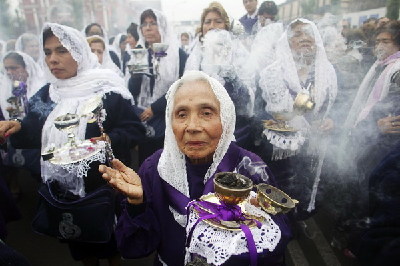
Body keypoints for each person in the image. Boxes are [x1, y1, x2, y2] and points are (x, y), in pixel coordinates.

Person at [99, 70, 291, 266]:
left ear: (225, 118)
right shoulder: (155, 169)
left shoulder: (250, 168)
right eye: (181, 114)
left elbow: (276, 247)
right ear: (170, 121)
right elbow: (135, 247)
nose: (192, 126)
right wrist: (136, 203)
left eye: (206, 113)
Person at [0, 22, 145, 266]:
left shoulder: (106, 90)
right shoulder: (48, 93)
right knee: (80, 241)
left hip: (103, 184)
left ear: (78, 51)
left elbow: (134, 130)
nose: (52, 59)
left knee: (110, 241)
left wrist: (110, 139)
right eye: (48, 53)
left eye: (61, 50)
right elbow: (36, 127)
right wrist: (19, 127)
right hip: (65, 188)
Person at [259, 19, 337, 219]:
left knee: (305, 195)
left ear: (316, 38)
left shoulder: (327, 72)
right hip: (281, 150)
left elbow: (337, 107)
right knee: (279, 199)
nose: (303, 38)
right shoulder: (272, 74)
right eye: (297, 34)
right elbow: (259, 114)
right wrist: (281, 119)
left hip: (315, 148)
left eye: (307, 33)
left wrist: (332, 121)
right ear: (287, 42)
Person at [185, 2, 256, 152]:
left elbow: (247, 101)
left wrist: (230, 75)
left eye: (218, 21)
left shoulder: (239, 54)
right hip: (201, 127)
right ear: (202, 27)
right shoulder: (195, 57)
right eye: (208, 22)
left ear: (226, 26)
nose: (212, 26)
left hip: (235, 129)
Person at [127, 8, 187, 164]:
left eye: (153, 23)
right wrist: (136, 75)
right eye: (144, 24)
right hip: (145, 119)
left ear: (162, 27)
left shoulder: (178, 55)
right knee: (147, 163)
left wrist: (155, 108)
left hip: (170, 115)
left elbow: (182, 87)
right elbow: (133, 91)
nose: (147, 28)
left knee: (170, 162)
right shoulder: (140, 54)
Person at [0, 51, 45, 197]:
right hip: (14, 132)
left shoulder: (41, 86)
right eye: (6, 68)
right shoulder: (6, 87)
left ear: (26, 68)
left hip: (36, 136)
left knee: (38, 172)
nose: (9, 72)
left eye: (14, 68)